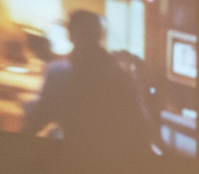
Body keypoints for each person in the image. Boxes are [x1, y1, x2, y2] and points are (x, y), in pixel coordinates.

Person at [21, 9, 156, 155]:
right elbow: (141, 129)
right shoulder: (122, 78)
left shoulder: (59, 75)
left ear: (70, 35)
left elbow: (36, 120)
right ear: (100, 35)